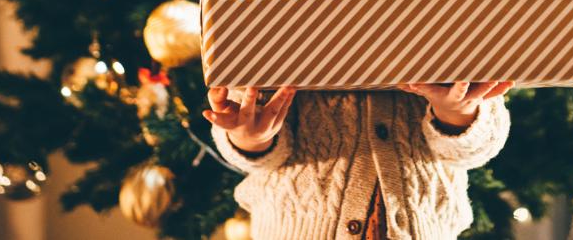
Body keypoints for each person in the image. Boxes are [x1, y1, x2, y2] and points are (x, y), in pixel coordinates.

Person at [203, 81, 513, 239]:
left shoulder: (452, 19)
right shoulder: (274, 17)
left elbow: (478, 148)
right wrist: (250, 137)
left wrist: (456, 112)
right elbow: (255, 152)